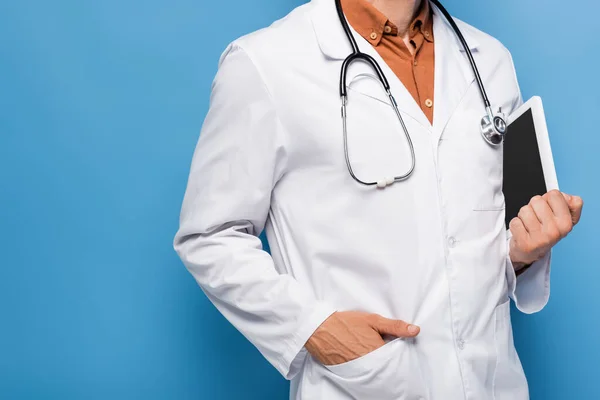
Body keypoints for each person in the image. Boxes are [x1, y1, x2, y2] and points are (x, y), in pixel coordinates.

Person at [174, 0, 584, 398]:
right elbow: (209, 235)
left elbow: (470, 240)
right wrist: (315, 329)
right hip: (366, 386)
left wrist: (523, 253)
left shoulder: (490, 60)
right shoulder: (266, 63)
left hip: (493, 383)